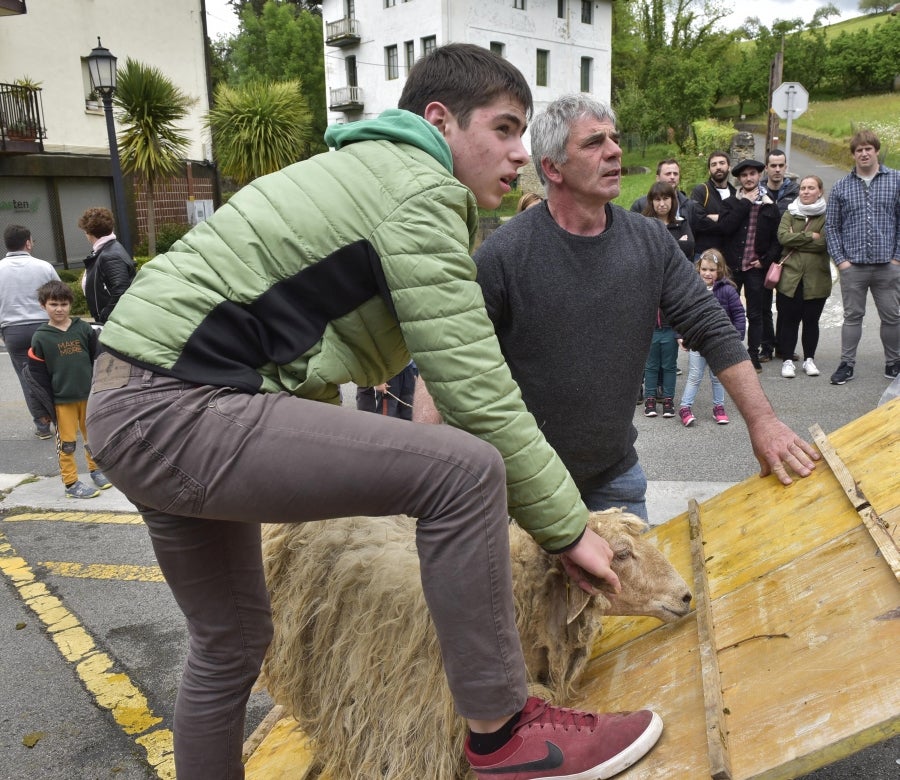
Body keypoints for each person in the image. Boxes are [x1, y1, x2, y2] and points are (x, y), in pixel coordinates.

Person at [85, 45, 666, 780]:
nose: (520, 153)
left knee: (229, 641)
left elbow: (296, 351)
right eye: (504, 128)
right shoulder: (416, 188)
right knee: (465, 472)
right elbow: (475, 388)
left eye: (523, 135)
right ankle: (505, 736)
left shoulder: (359, 173)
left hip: (131, 405)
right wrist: (567, 529)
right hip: (182, 406)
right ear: (440, 121)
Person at [429, 94, 817, 528]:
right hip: (517, 488)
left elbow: (712, 328)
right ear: (553, 168)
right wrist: (424, 470)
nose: (614, 150)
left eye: (613, 138)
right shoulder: (505, 253)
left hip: (613, 478)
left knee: (639, 576)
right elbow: (446, 357)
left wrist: (764, 423)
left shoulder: (649, 240)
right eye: (594, 143)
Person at [825, 129, 900, 384]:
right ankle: (847, 364)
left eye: (868, 149)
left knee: (892, 316)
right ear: (853, 154)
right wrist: (841, 261)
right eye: (859, 150)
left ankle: (893, 363)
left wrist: (897, 259)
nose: (864, 153)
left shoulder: (896, 180)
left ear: (876, 151)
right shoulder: (841, 186)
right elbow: (832, 227)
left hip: (887, 265)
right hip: (853, 266)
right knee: (852, 317)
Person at [27, 281, 111, 498]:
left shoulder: (83, 329)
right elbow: (36, 379)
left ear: (70, 305)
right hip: (61, 401)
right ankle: (71, 483)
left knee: (93, 438)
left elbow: (98, 359)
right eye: (53, 304)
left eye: (64, 304)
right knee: (67, 444)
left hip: (89, 397)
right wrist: (42, 410)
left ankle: (96, 469)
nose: (59, 309)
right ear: (43, 305)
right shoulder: (41, 337)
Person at [696, 159, 781, 372]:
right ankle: (727, 352)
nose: (749, 178)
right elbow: (725, 228)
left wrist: (764, 260)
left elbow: (777, 240)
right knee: (726, 311)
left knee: (755, 314)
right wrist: (745, 203)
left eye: (752, 174)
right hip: (732, 267)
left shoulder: (770, 205)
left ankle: (752, 355)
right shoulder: (731, 203)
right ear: (739, 179)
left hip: (755, 269)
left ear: (759, 175)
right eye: (744, 175)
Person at [0, 224, 61, 439]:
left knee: (27, 378)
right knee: (53, 374)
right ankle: (62, 419)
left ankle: (42, 426)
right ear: (27, 243)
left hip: (13, 331)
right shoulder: (44, 267)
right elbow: (60, 295)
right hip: (44, 328)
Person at [639, 182, 693, 418]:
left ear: (673, 200)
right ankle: (651, 395)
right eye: (657, 199)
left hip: (674, 292)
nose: (662, 203)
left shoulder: (681, 223)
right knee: (651, 359)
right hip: (650, 294)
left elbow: (688, 250)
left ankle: (666, 396)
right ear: (651, 202)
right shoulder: (645, 225)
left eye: (666, 198)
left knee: (669, 357)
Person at [678, 249, 746, 427]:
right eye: (704, 269)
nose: (707, 273)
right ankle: (685, 407)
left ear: (720, 270)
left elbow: (739, 314)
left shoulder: (728, 290)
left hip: (720, 343)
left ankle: (719, 408)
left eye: (712, 270)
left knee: (718, 377)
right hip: (698, 341)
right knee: (695, 376)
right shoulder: (691, 289)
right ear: (698, 269)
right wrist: (681, 335)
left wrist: (737, 336)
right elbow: (683, 313)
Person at [775, 175, 832, 379]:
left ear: (820, 191)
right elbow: (783, 238)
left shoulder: (827, 215)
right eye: (803, 188)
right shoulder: (790, 212)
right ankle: (787, 360)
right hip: (790, 278)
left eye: (811, 188)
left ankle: (809, 359)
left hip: (817, 279)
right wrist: (809, 236)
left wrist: (796, 239)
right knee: (789, 321)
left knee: (811, 321)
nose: (806, 191)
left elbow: (824, 243)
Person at [760, 148, 799, 361]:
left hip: (788, 255)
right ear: (766, 168)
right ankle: (766, 347)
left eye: (780, 165)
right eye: (773, 165)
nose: (777, 169)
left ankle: (784, 347)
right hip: (765, 255)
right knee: (763, 304)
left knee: (787, 304)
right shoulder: (758, 191)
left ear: (785, 167)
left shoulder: (796, 192)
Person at [77, 207, 136, 324]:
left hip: (115, 323)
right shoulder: (107, 250)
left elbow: (121, 290)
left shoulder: (110, 255)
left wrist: (105, 315)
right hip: (115, 321)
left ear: (88, 232)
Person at [690, 150, 736, 256]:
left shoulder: (735, 194)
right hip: (705, 255)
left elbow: (739, 222)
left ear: (729, 167)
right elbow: (698, 221)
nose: (718, 167)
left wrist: (715, 217)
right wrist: (728, 221)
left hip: (729, 254)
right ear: (709, 171)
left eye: (722, 163)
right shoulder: (701, 190)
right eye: (714, 164)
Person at [631, 158, 697, 229]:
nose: (672, 177)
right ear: (658, 178)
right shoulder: (640, 205)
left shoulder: (689, 205)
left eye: (675, 174)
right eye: (668, 174)